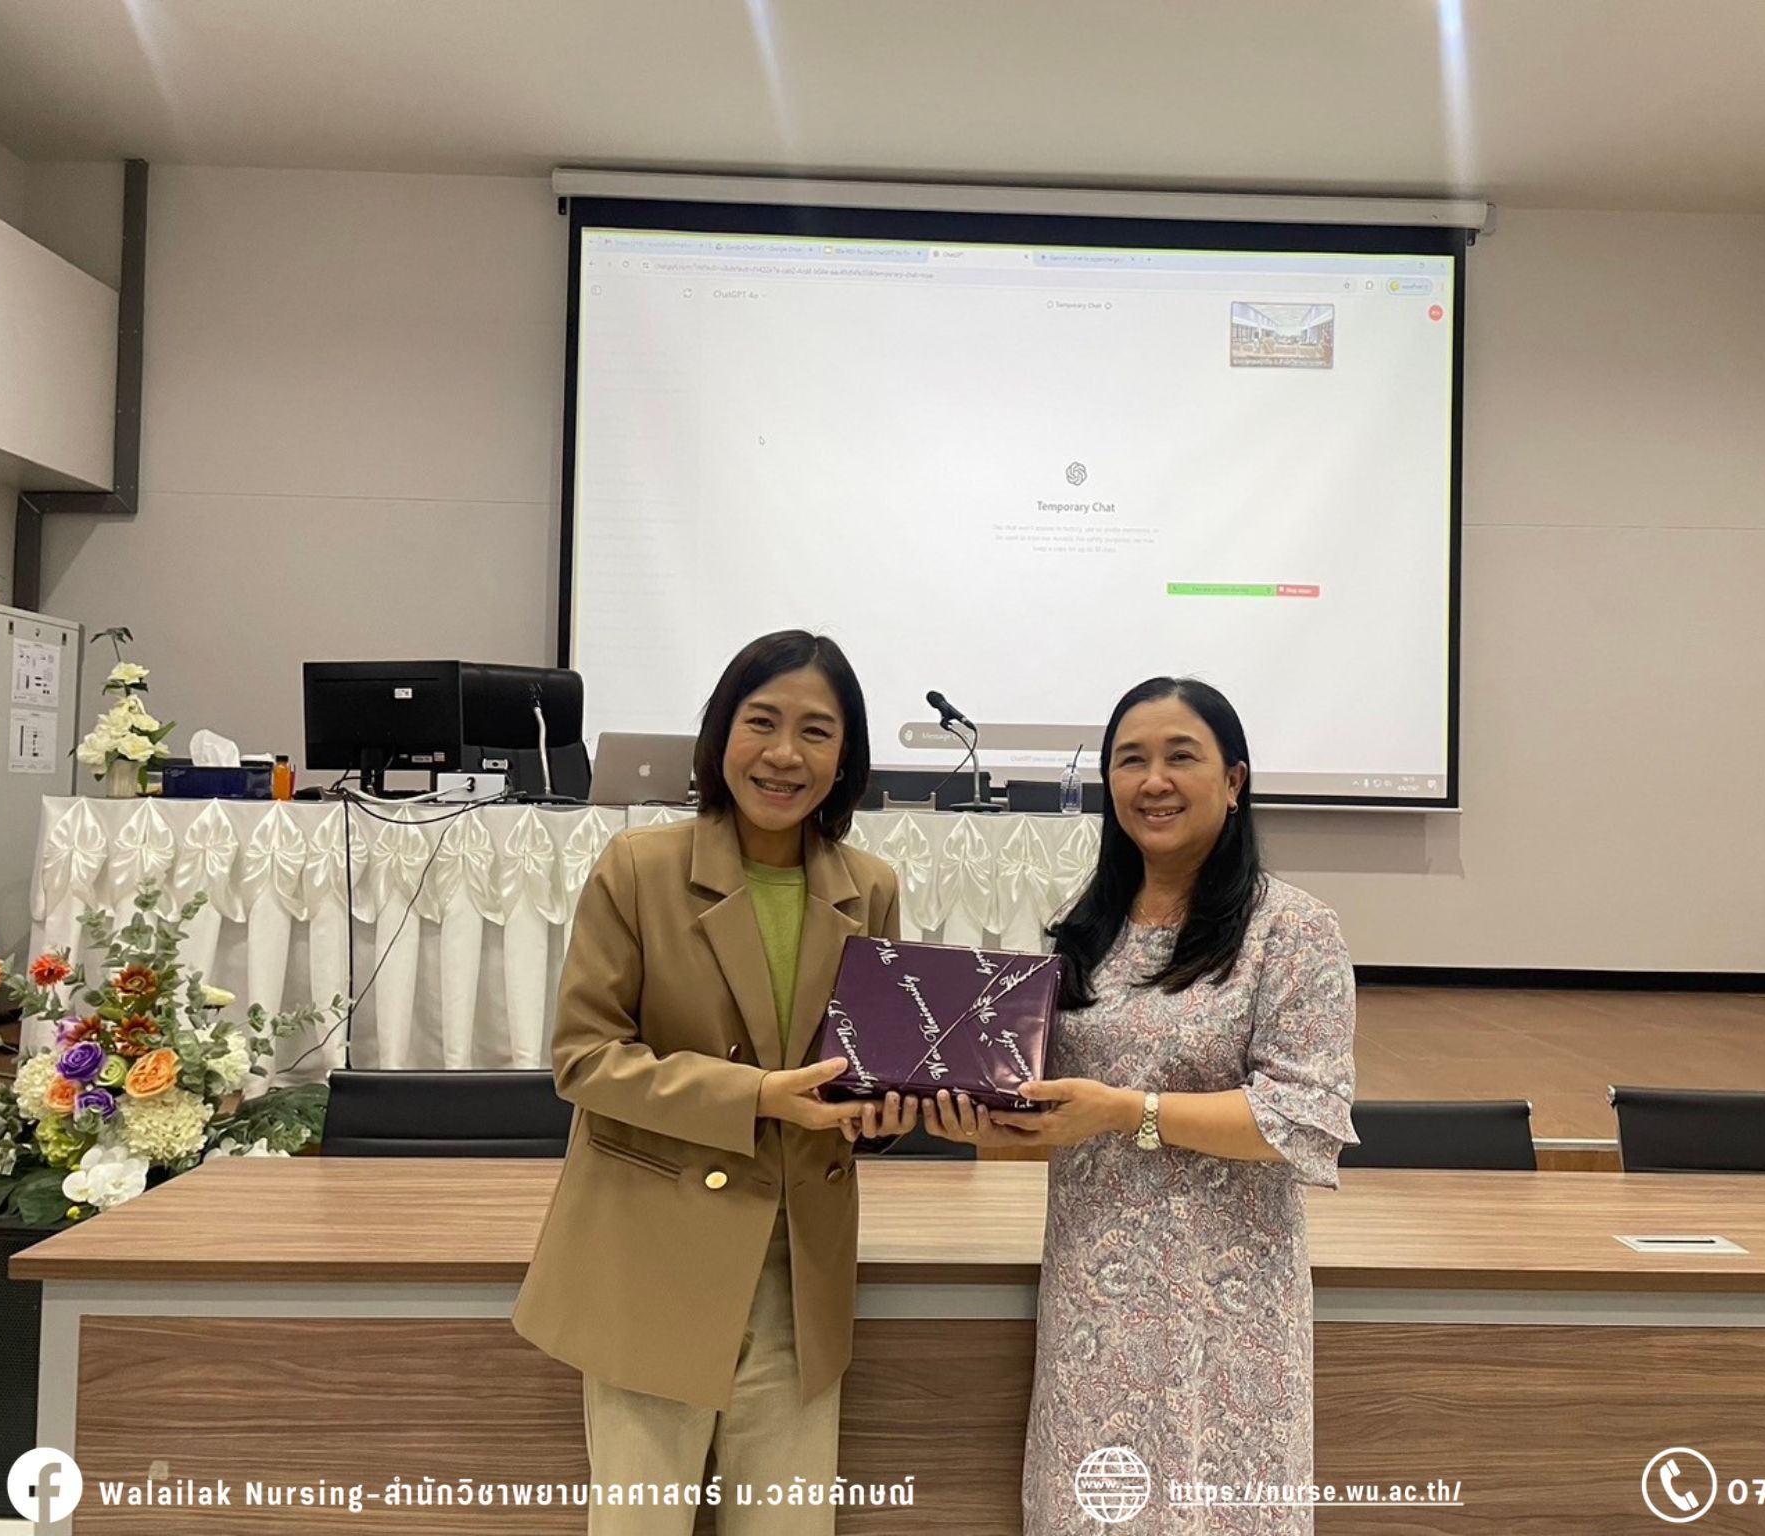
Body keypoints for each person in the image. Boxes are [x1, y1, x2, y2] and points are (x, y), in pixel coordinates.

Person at [926, 676, 1357, 1533]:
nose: (1153, 780)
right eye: (1130, 760)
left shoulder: (1293, 930)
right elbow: (1059, 1103)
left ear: (1233, 781)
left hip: (1228, 1307)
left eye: (1179, 757)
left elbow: (1305, 1118)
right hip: (1095, 1298)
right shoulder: (1085, 927)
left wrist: (1128, 1112)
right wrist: (984, 1112)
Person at [514, 630, 918, 1535]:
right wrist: (757, 1097)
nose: (785, 754)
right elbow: (585, 1057)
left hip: (797, 1279)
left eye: (816, 731)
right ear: (720, 734)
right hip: (652, 1261)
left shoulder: (871, 888)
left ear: (845, 756)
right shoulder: (640, 868)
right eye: (761, 722)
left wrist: (884, 1114)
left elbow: (869, 1070)